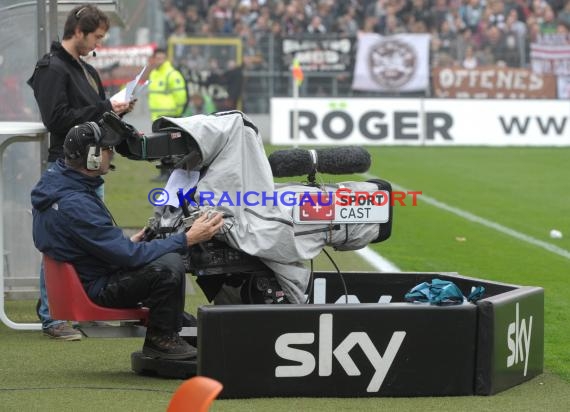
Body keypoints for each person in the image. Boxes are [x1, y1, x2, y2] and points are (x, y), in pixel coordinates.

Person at [31, 121, 224, 359]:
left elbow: (93, 242)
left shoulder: (55, 183)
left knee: (194, 324)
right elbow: (129, 256)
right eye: (106, 149)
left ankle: (171, 327)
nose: (111, 153)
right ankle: (161, 339)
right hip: (97, 286)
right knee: (169, 265)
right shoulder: (75, 204)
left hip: (89, 275)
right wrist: (187, 238)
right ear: (92, 157)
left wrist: (124, 243)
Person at [27, 4, 134, 340]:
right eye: (96, 37)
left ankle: (84, 307)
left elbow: (92, 115)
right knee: (59, 242)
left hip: (89, 167)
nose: (97, 44)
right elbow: (55, 119)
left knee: (90, 242)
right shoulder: (53, 68)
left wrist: (116, 112)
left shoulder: (84, 69)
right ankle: (53, 317)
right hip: (66, 166)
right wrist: (106, 108)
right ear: (79, 31)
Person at [147, 47, 189, 181]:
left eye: (161, 58)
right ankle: (164, 174)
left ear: (166, 59)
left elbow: (180, 95)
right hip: (158, 117)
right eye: (157, 58)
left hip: (171, 117)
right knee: (162, 146)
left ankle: (171, 175)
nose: (159, 60)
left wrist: (177, 114)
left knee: (171, 147)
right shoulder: (154, 74)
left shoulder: (172, 74)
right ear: (153, 59)